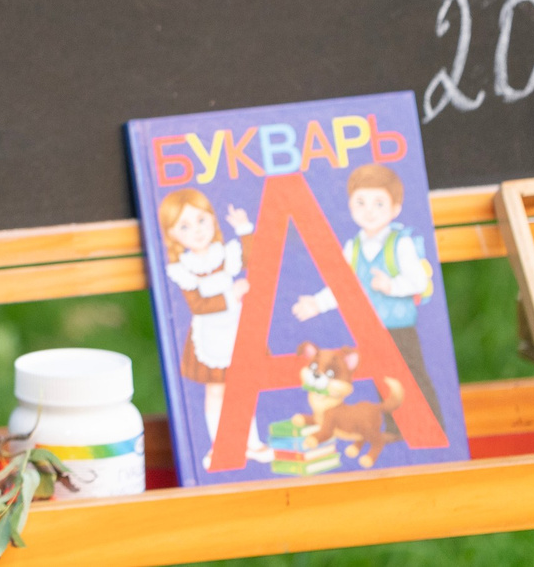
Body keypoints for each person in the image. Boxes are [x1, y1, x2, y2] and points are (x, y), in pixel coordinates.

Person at [292, 162, 444, 424]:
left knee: (414, 374)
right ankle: (396, 429)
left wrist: (391, 286)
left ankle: (434, 425)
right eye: (360, 202)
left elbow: (418, 281)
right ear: (350, 205)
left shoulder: (400, 243)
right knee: (383, 379)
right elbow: (342, 286)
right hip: (368, 328)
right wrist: (317, 304)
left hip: (399, 327)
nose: (369, 211)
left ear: (395, 208)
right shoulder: (353, 247)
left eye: (378, 203)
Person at [160, 188, 270, 466]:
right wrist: (231, 295)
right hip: (210, 337)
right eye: (184, 226)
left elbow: (255, 260)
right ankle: (219, 446)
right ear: (172, 234)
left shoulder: (226, 253)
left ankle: (252, 443)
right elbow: (196, 305)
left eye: (201, 220)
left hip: (236, 330)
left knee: (244, 388)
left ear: (212, 220)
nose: (196, 230)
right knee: (216, 391)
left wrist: (244, 229)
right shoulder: (183, 268)